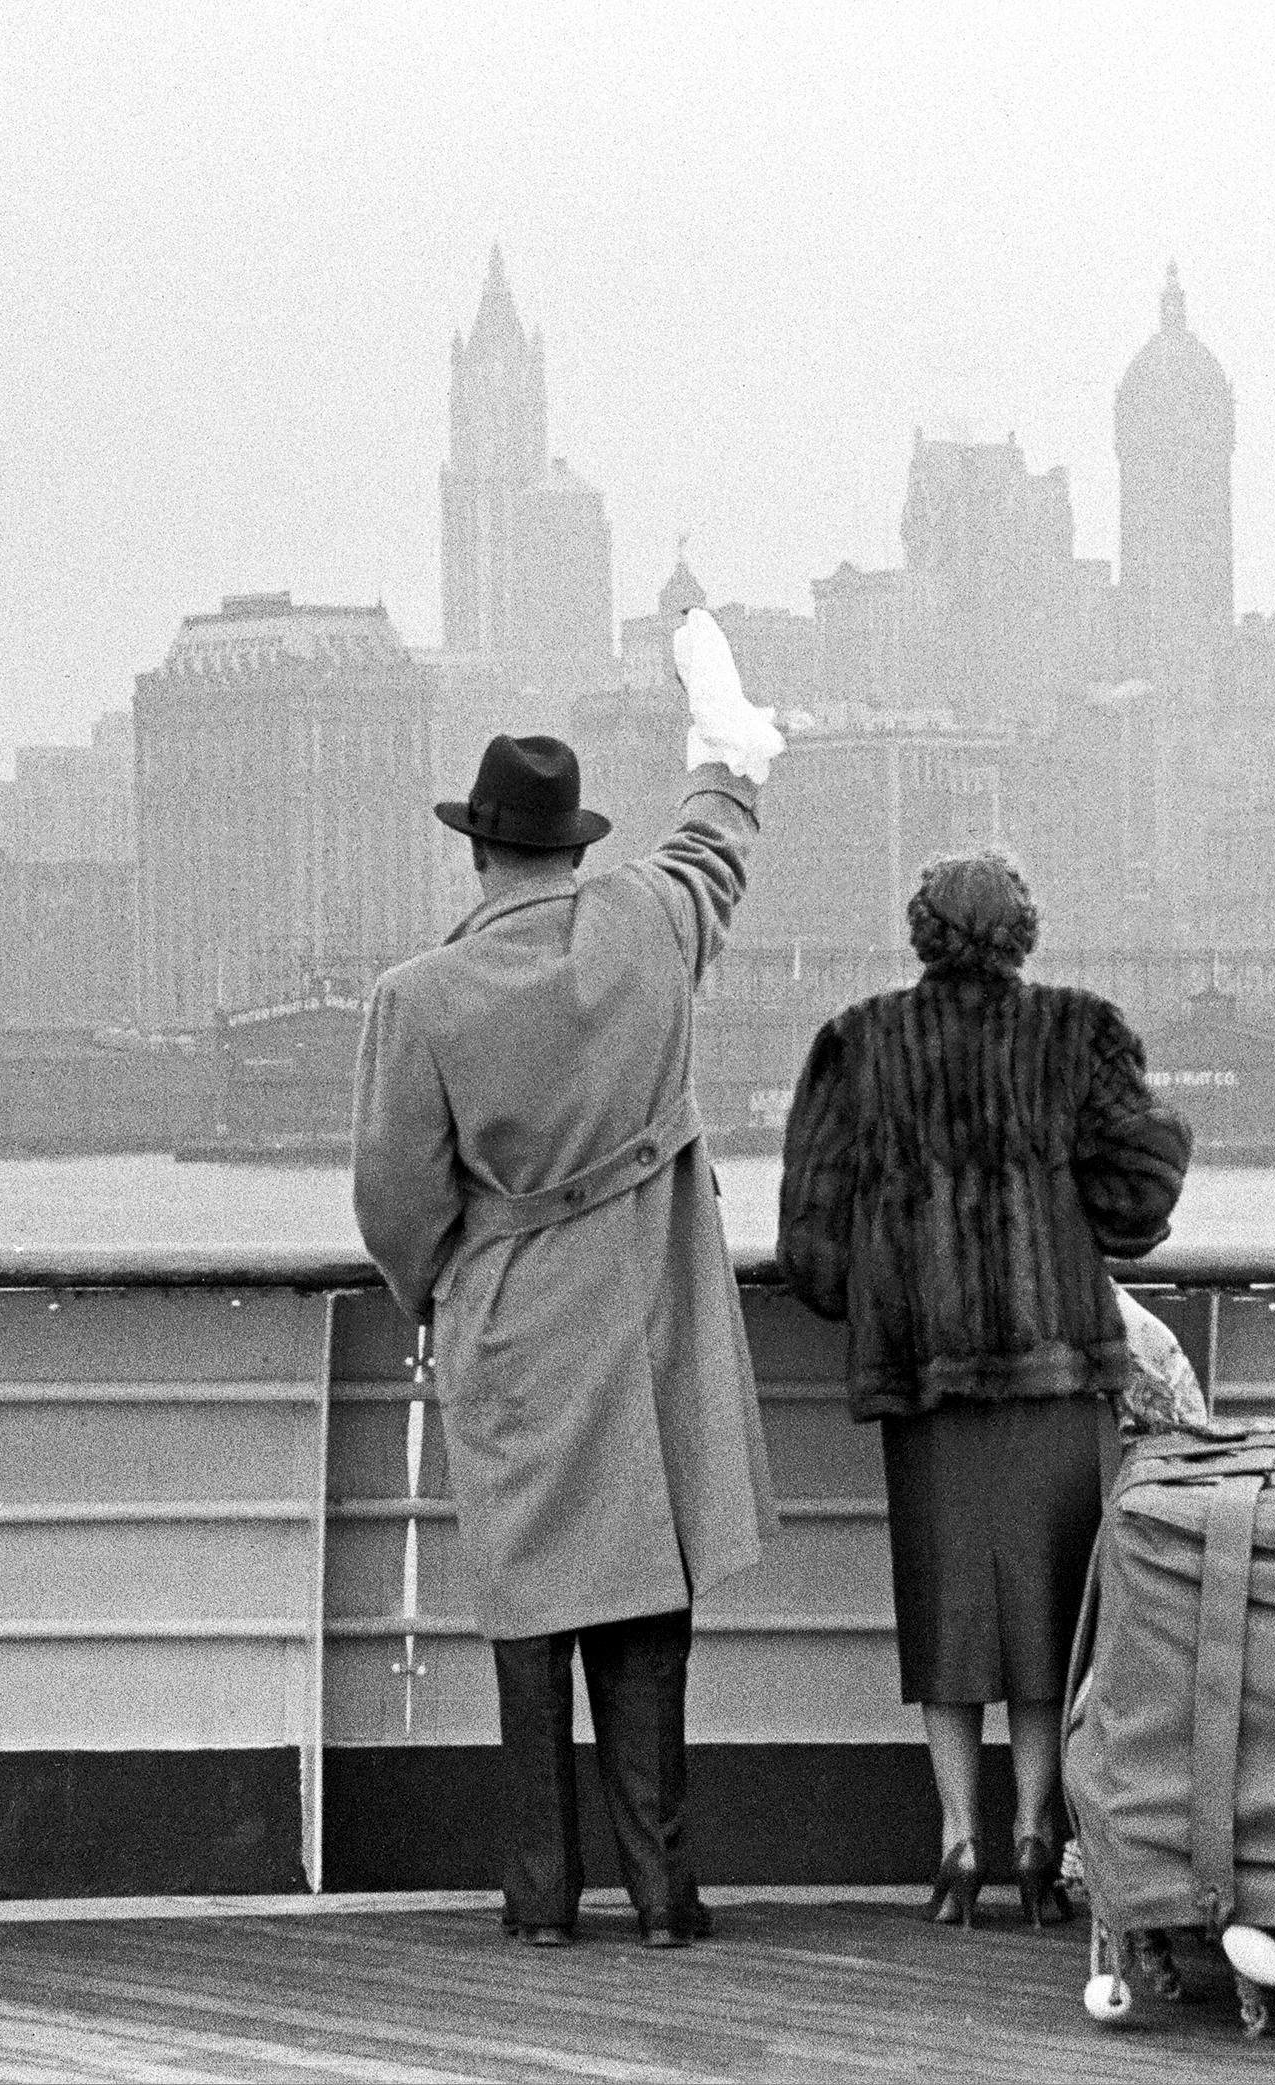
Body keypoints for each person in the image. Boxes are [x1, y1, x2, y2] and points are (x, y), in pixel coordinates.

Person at [351, 610, 785, 1950]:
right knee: (645, 1602)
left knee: (529, 1617)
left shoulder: (417, 998)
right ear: (571, 839)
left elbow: (393, 1197)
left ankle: (540, 1900)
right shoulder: (649, 919)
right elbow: (716, 841)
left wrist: (446, 1283)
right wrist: (724, 742)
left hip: (511, 1319)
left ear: (477, 848)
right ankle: (665, 1895)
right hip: (648, 1305)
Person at [774, 847, 1191, 1929]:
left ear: (919, 932)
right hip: (1054, 1373)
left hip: (928, 1381)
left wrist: (889, 1282)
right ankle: (1037, 1835)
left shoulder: (857, 1044)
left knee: (947, 1616)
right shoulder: (1078, 1032)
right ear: (1024, 932)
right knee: (1054, 1612)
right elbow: (1140, 1197)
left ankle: (957, 1844)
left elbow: (811, 1247)